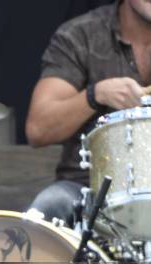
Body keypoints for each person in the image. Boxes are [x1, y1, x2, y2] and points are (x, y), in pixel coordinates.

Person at [25, 0, 150, 225]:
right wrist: (96, 94)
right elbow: (38, 129)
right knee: (49, 206)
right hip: (87, 189)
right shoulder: (81, 35)